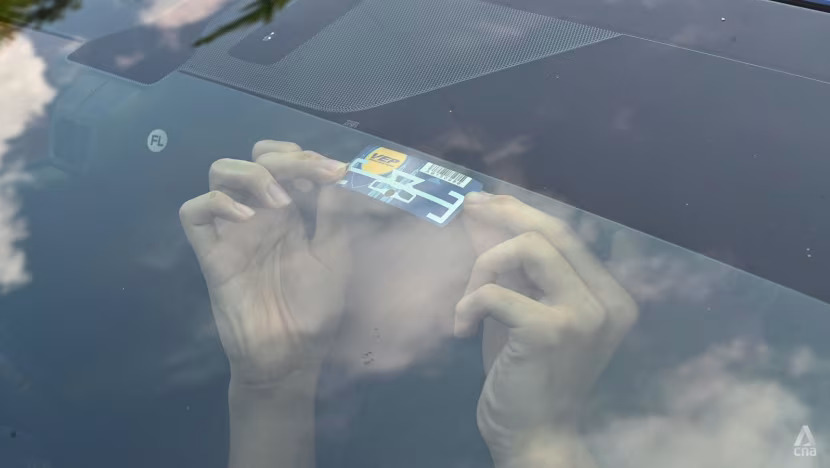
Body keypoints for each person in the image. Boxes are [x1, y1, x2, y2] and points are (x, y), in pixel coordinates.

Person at [179, 141, 639, 468]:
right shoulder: (201, 394)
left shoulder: (637, 421)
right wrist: (273, 390)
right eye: (388, 203)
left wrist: (537, 447)